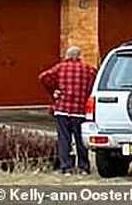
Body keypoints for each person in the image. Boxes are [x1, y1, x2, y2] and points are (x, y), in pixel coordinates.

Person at [38, 46, 97, 175]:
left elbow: (43, 77)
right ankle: (83, 166)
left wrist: (53, 90)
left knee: (64, 139)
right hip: (80, 110)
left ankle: (66, 167)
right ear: (80, 56)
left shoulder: (59, 68)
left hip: (63, 109)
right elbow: (94, 85)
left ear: (67, 56)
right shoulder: (89, 70)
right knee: (80, 139)